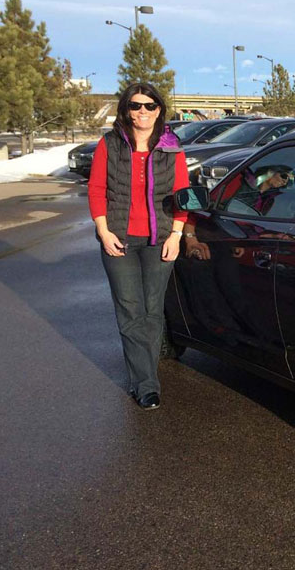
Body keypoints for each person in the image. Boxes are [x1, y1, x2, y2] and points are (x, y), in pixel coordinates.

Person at [88, 82, 189, 410]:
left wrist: (176, 234)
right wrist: (103, 231)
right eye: (135, 105)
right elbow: (97, 189)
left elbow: (182, 193)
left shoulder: (172, 147)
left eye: (149, 106)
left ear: (159, 109)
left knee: (152, 309)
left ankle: (143, 371)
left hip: (159, 239)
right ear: (125, 109)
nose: (142, 112)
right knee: (130, 309)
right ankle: (146, 384)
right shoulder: (110, 144)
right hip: (119, 240)